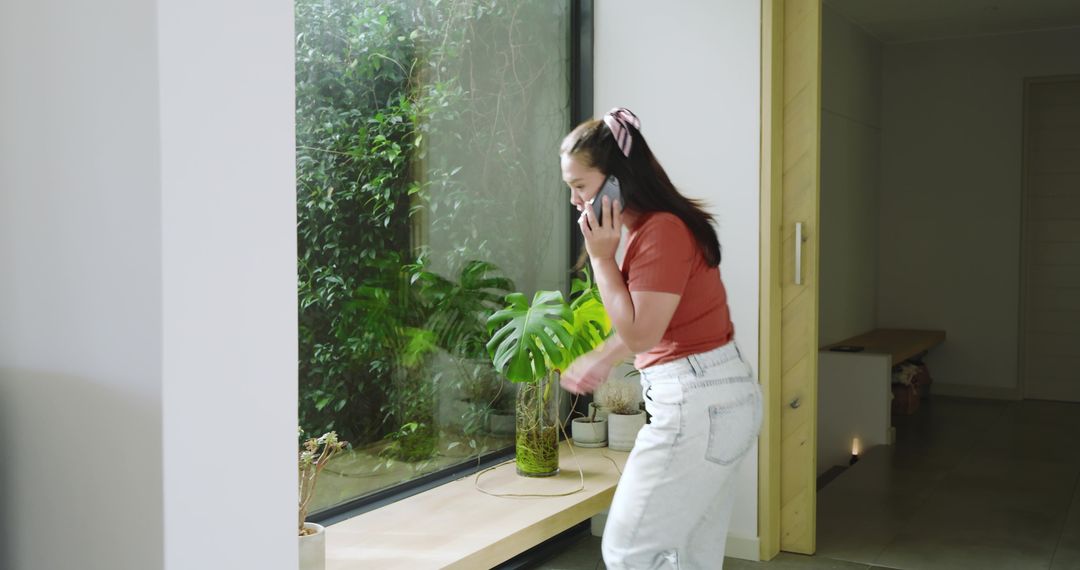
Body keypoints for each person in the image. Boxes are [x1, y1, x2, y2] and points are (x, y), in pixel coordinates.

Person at [559, 107, 762, 569]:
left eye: (580, 186)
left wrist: (601, 259)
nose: (574, 200)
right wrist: (603, 358)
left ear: (616, 180)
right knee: (689, 554)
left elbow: (642, 333)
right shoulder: (657, 229)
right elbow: (651, 327)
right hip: (714, 398)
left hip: (697, 404)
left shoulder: (661, 232)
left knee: (628, 551)